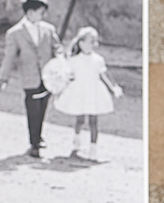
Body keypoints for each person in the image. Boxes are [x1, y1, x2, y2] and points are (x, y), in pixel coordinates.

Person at [0, 0, 64, 158]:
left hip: (48, 76)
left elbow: (57, 47)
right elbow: (10, 57)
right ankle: (34, 142)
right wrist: (3, 78)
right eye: (41, 12)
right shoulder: (15, 33)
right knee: (32, 109)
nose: (43, 16)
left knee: (42, 108)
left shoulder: (48, 29)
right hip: (29, 76)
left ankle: (38, 136)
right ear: (30, 12)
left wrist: (60, 60)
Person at [53, 26, 123, 159]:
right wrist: (60, 87)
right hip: (79, 91)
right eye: (91, 41)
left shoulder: (98, 60)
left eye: (95, 42)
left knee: (93, 121)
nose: (93, 44)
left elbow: (105, 75)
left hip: (94, 92)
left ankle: (93, 148)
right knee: (80, 119)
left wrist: (114, 87)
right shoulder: (73, 60)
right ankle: (77, 138)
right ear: (81, 43)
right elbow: (67, 76)